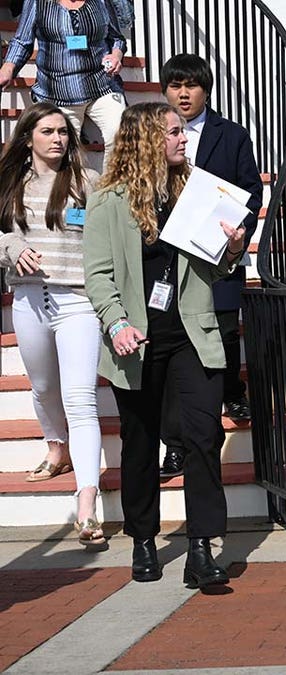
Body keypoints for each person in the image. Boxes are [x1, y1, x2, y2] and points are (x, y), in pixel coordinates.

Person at [83, 101, 247, 586]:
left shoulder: (195, 193)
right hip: (135, 341)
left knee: (202, 437)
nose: (182, 138)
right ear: (147, 140)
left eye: (181, 131)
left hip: (191, 335)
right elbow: (99, 276)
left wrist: (233, 248)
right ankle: (143, 539)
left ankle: (200, 549)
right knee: (139, 443)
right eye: (173, 132)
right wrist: (116, 324)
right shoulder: (108, 201)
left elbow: (215, 267)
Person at [0, 102, 104, 545]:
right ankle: (56, 446)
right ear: (28, 138)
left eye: (64, 131)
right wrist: (10, 247)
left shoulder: (88, 183)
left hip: (77, 301)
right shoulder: (10, 184)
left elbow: (108, 238)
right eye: (48, 131)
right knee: (43, 388)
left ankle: (87, 505)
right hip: (28, 300)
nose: (59, 139)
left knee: (81, 399)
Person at [156, 53, 263, 478]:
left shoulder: (231, 135)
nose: (183, 93)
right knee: (169, 349)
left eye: (191, 85)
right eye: (175, 85)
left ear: (206, 89)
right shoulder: (154, 134)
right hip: (166, 258)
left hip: (217, 252)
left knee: (220, 332)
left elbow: (251, 192)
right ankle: (175, 444)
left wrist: (232, 229)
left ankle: (230, 393)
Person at [0, 0, 128, 159]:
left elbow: (117, 38)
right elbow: (22, 41)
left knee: (123, 134)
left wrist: (116, 55)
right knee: (63, 155)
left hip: (101, 86)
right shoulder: (38, 3)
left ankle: (114, 182)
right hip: (57, 92)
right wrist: (8, 67)